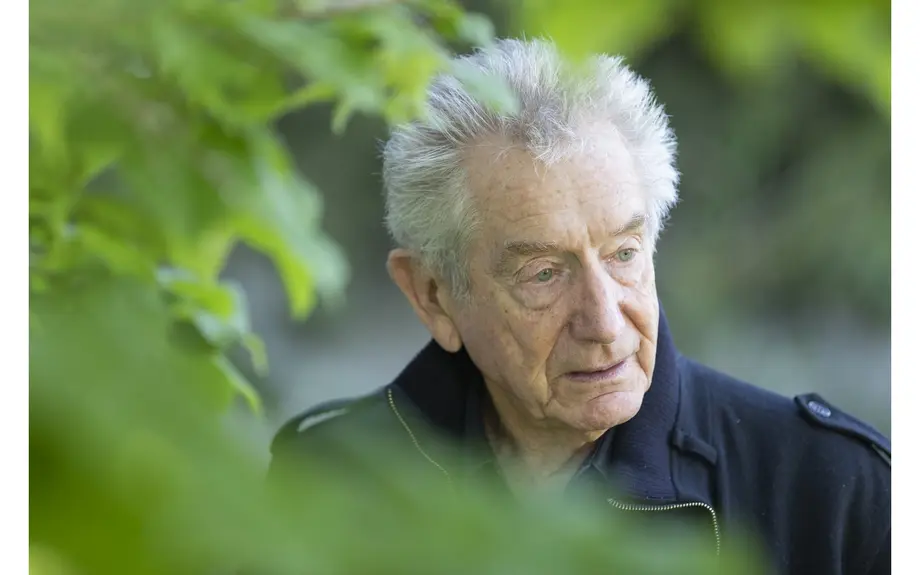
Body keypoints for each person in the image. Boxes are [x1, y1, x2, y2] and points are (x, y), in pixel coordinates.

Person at [270, 38, 890, 574]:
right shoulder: (328, 475)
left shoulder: (836, 491)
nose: (604, 322)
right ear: (433, 295)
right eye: (543, 274)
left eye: (624, 254)